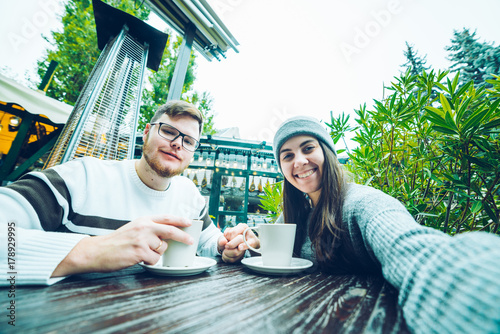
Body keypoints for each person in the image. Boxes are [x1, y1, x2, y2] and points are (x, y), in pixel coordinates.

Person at [227, 116, 500, 334]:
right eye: (287, 156)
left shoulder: (364, 203)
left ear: (328, 153)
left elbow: (411, 250)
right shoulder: (297, 212)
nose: (299, 161)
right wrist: (248, 245)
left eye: (308, 148)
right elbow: (274, 250)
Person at [0, 100, 248, 286]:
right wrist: (93, 250)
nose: (177, 144)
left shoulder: (189, 194)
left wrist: (224, 245)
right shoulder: (84, 176)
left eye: (189, 141)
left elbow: (205, 241)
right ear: (146, 132)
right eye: (169, 131)